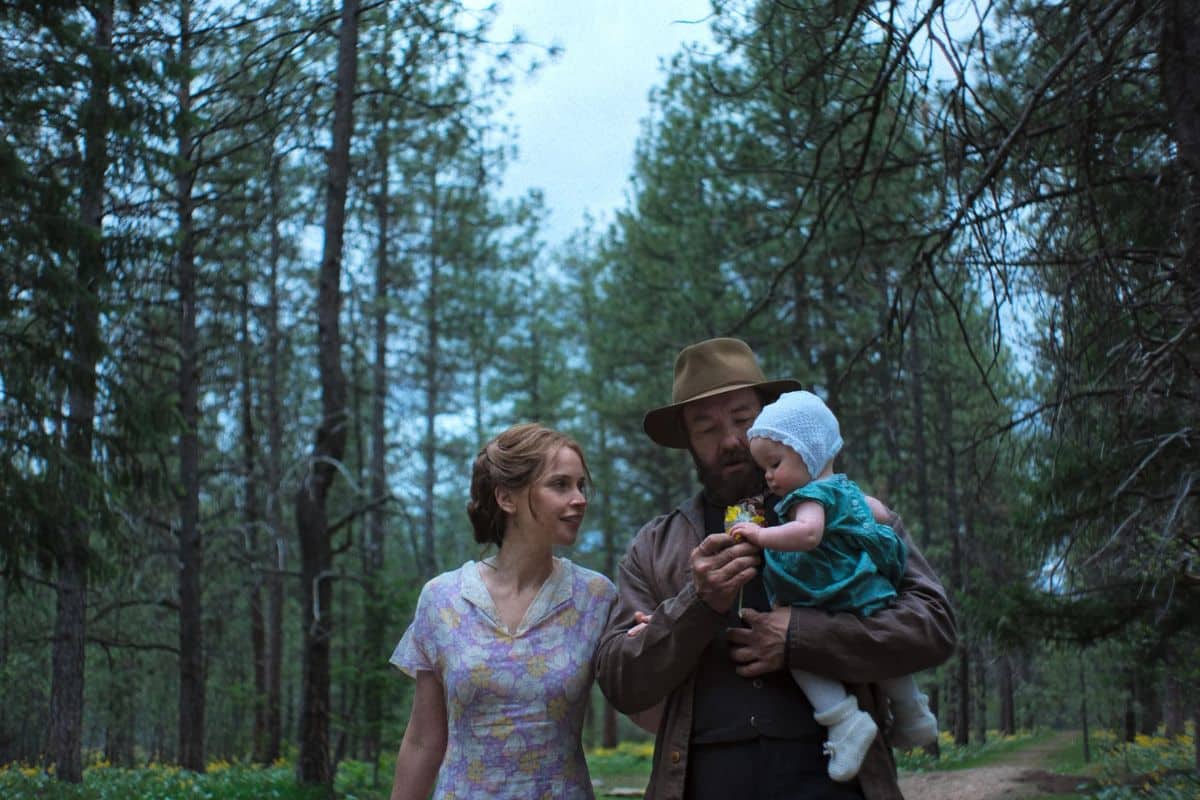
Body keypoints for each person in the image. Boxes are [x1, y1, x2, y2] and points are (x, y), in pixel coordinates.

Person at [595, 337, 956, 800]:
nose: (730, 442)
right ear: (686, 441)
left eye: (742, 420)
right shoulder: (655, 546)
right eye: (705, 428)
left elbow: (934, 625)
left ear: (769, 420)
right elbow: (621, 682)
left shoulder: (847, 511)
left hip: (837, 785)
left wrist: (800, 637)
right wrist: (696, 603)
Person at [389, 422, 618, 800]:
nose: (579, 498)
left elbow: (647, 706)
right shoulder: (442, 599)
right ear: (507, 499)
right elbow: (422, 741)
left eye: (581, 485)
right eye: (560, 485)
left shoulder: (596, 596)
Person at [725, 390, 939, 782]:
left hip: (825, 593)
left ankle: (843, 720)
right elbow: (878, 515)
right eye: (764, 468)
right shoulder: (850, 490)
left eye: (775, 464)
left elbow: (807, 535)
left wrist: (760, 537)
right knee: (883, 656)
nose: (769, 476)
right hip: (865, 590)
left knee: (798, 651)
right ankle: (913, 713)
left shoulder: (808, 498)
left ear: (810, 452)